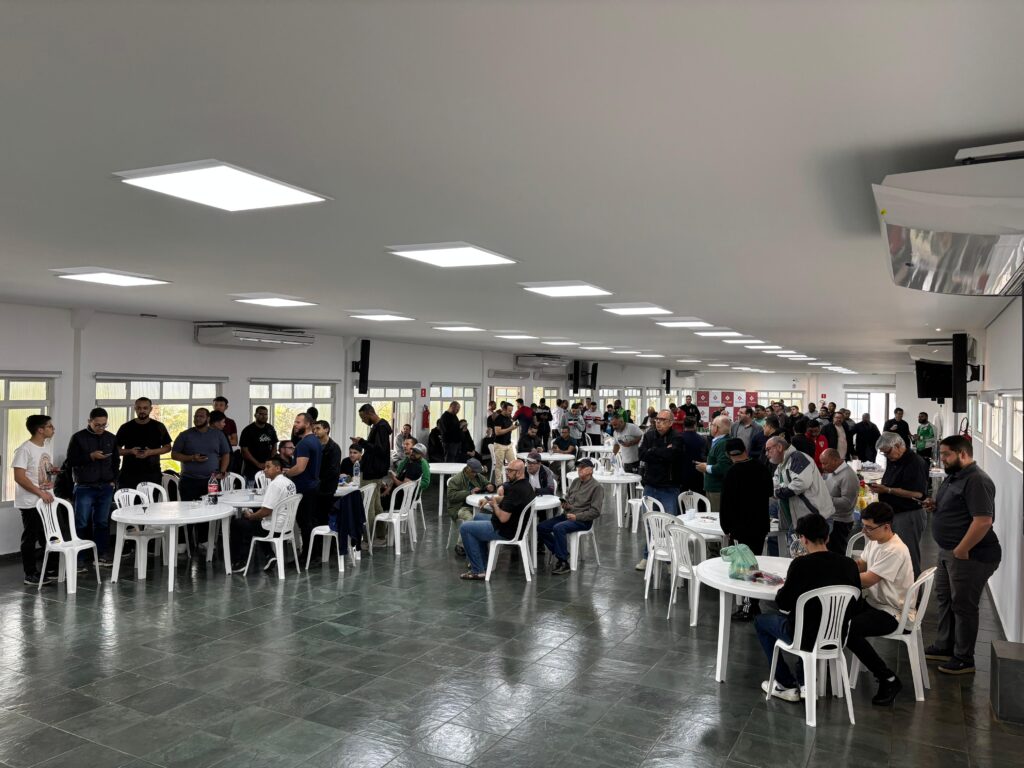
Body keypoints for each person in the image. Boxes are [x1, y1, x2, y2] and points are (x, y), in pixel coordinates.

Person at [755, 513, 861, 702]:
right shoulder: (849, 565)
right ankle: (805, 681)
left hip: (803, 636)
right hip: (838, 635)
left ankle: (784, 683)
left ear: (803, 539)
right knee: (809, 618)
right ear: (827, 537)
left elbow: (783, 603)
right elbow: (856, 604)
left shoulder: (800, 565)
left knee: (761, 622)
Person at [923, 435, 1001, 675]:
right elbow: (957, 506)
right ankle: (945, 645)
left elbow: (983, 521)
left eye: (946, 454)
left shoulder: (977, 480)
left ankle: (964, 658)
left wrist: (963, 549)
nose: (942, 459)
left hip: (971, 555)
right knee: (945, 598)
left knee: (964, 605)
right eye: (941, 454)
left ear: (963, 454)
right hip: (948, 551)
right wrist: (935, 505)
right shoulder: (954, 476)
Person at [845, 502, 914, 705]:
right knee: (834, 615)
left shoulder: (894, 550)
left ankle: (888, 678)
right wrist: (841, 565)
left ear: (886, 526)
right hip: (875, 602)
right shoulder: (876, 540)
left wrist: (839, 575)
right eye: (863, 526)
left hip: (893, 612)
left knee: (848, 630)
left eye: (869, 527)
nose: (864, 532)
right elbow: (862, 564)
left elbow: (868, 579)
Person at [719, 437, 773, 620]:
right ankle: (753, 602)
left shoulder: (732, 473)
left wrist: (726, 527)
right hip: (760, 524)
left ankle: (749, 606)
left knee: (744, 566)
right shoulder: (761, 468)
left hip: (740, 527)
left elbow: (725, 503)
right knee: (755, 562)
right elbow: (769, 492)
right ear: (745, 450)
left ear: (728, 455)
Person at [459, 460, 534, 580]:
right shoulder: (525, 485)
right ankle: (483, 563)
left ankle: (477, 570)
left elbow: (503, 518)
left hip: (506, 530)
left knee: (465, 528)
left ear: (519, 472)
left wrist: (494, 506)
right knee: (477, 517)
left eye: (510, 471)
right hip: (515, 526)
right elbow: (506, 499)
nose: (507, 473)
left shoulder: (516, 490)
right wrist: (491, 499)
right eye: (507, 470)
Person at [869, 432, 928, 577]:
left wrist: (887, 490)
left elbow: (917, 494)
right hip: (893, 513)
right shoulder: (894, 458)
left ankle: (915, 590)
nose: (886, 456)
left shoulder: (915, 463)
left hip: (908, 514)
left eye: (887, 452)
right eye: (883, 453)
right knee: (894, 554)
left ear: (898, 445)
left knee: (908, 555)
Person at [66, 408, 119, 566]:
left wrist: (114, 480)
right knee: (81, 522)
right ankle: (79, 558)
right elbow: (71, 461)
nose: (101, 428)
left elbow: (116, 461)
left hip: (106, 486)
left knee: (102, 522)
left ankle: (102, 555)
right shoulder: (78, 438)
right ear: (89, 421)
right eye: (97, 425)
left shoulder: (111, 438)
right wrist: (90, 456)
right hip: (85, 487)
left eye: (104, 425)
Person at [12, 414, 58, 585]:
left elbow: (41, 470)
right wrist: (40, 493)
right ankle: (30, 574)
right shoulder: (24, 449)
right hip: (31, 502)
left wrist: (51, 473)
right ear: (40, 430)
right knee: (30, 538)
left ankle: (49, 569)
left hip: (46, 499)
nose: (53, 429)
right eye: (50, 426)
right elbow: (19, 477)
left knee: (49, 536)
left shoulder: (46, 445)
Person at [636, 410, 684, 571]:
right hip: (650, 486)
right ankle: (647, 555)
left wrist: (653, 451)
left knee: (668, 525)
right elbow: (642, 454)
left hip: (669, 487)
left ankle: (669, 560)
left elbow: (672, 455)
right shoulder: (649, 435)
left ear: (671, 422)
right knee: (650, 523)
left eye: (663, 420)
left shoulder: (677, 437)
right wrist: (661, 451)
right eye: (657, 419)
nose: (658, 422)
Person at [538, 457, 604, 575]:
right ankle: (560, 552)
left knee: (559, 528)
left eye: (582, 467)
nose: (579, 469)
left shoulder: (597, 487)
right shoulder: (575, 482)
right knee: (541, 527)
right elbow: (568, 498)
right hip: (567, 515)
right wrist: (566, 505)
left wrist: (577, 517)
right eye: (578, 467)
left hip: (582, 520)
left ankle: (563, 562)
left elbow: (595, 512)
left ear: (590, 470)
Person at [230, 457, 296, 572]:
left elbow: (266, 511)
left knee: (237, 524)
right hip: (286, 526)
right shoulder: (290, 482)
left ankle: (239, 562)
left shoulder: (275, 484)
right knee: (257, 522)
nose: (264, 470)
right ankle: (269, 555)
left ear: (278, 468)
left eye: (268, 467)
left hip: (274, 528)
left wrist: (251, 516)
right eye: (265, 467)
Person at [766, 435, 835, 544]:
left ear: (779, 447)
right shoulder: (782, 465)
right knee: (797, 551)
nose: (766, 454)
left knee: (810, 552)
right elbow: (774, 484)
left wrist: (778, 492)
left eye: (768, 449)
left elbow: (801, 484)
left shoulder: (797, 458)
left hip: (816, 519)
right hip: (801, 520)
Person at [283, 412, 322, 564]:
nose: (295, 425)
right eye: (295, 422)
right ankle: (313, 553)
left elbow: (300, 468)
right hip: (313, 485)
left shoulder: (304, 444)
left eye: (298, 422)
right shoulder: (315, 440)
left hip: (305, 488)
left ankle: (308, 556)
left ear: (307, 424)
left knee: (305, 523)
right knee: (310, 522)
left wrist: (286, 473)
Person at [171, 408, 231, 501]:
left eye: (201, 416)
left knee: (212, 506)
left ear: (208, 418)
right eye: (196, 416)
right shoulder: (185, 435)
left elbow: (226, 454)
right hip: (189, 481)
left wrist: (222, 472)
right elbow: (174, 454)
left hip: (212, 480)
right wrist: (192, 458)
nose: (198, 419)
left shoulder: (218, 434)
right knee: (189, 508)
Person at [350, 404, 393, 535]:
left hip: (373, 471)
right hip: (375, 470)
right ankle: (379, 534)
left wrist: (362, 442)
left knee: (368, 505)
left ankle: (369, 536)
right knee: (375, 504)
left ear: (370, 413)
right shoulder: (379, 426)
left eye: (363, 417)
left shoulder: (381, 427)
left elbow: (379, 450)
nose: (363, 420)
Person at [113, 397, 172, 489]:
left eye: (145, 408)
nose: (142, 411)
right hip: (129, 475)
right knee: (128, 499)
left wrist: (151, 452)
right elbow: (115, 450)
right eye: (139, 408)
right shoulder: (126, 427)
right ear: (135, 409)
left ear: (150, 409)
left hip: (152, 475)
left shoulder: (159, 427)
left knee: (151, 499)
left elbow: (168, 447)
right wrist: (130, 451)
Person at [446, 458, 490, 557]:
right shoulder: (456, 479)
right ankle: (460, 545)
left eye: (476, 472)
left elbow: (487, 483)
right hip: (459, 507)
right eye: (473, 472)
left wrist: (490, 486)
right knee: (470, 519)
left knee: (488, 517)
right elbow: (451, 496)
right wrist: (469, 492)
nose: (475, 474)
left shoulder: (478, 476)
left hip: (475, 505)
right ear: (468, 469)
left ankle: (482, 542)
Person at [819, 449, 858, 556]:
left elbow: (847, 503)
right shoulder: (831, 472)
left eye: (825, 463)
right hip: (830, 517)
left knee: (836, 554)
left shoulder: (848, 476)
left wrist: (826, 499)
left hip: (840, 522)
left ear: (835, 460)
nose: (823, 467)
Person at [313, 420, 342, 554]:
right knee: (316, 516)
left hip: (327, 488)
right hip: (316, 487)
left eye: (318, 428)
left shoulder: (334, 448)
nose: (315, 431)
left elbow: (333, 470)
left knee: (325, 516)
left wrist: (318, 481)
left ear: (326, 429)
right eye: (314, 429)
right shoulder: (315, 445)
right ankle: (318, 545)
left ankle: (328, 547)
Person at [695, 415, 734, 511]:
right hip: (714, 487)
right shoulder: (720, 442)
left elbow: (723, 467)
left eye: (712, 425)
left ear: (716, 428)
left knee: (716, 516)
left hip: (717, 489)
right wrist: (706, 465)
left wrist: (706, 468)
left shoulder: (723, 443)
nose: (710, 427)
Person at [239, 406, 278, 483]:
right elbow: (244, 450)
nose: (263, 416)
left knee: (268, 486)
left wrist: (270, 461)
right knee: (251, 488)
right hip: (251, 467)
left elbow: (274, 444)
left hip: (267, 465)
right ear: (255, 415)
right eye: (261, 414)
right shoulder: (248, 430)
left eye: (265, 414)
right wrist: (258, 464)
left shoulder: (270, 428)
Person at [490, 402, 518, 480]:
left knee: (513, 464)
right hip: (499, 445)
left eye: (511, 410)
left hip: (508, 444)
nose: (511, 412)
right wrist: (510, 428)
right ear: (504, 409)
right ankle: (498, 484)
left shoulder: (509, 417)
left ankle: (512, 481)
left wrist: (514, 427)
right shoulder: (498, 419)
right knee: (499, 466)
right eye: (509, 410)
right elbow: (497, 432)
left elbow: (508, 429)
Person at [678, 418, 706, 492]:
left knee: (681, 496)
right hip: (697, 472)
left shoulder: (678, 438)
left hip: (681, 473)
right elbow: (704, 456)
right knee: (699, 496)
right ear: (695, 425)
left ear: (684, 425)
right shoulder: (702, 439)